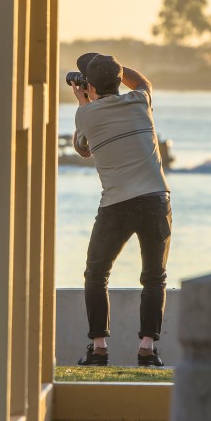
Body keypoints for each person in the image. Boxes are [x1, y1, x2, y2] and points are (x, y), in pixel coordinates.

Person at [70, 53, 171, 367]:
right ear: (118, 80)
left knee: (96, 274)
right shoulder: (140, 101)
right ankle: (147, 350)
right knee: (154, 278)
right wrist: (114, 72)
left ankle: (99, 348)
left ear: (90, 85)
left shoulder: (85, 115)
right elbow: (143, 82)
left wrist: (84, 101)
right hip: (156, 199)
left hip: (117, 204)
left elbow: (83, 150)